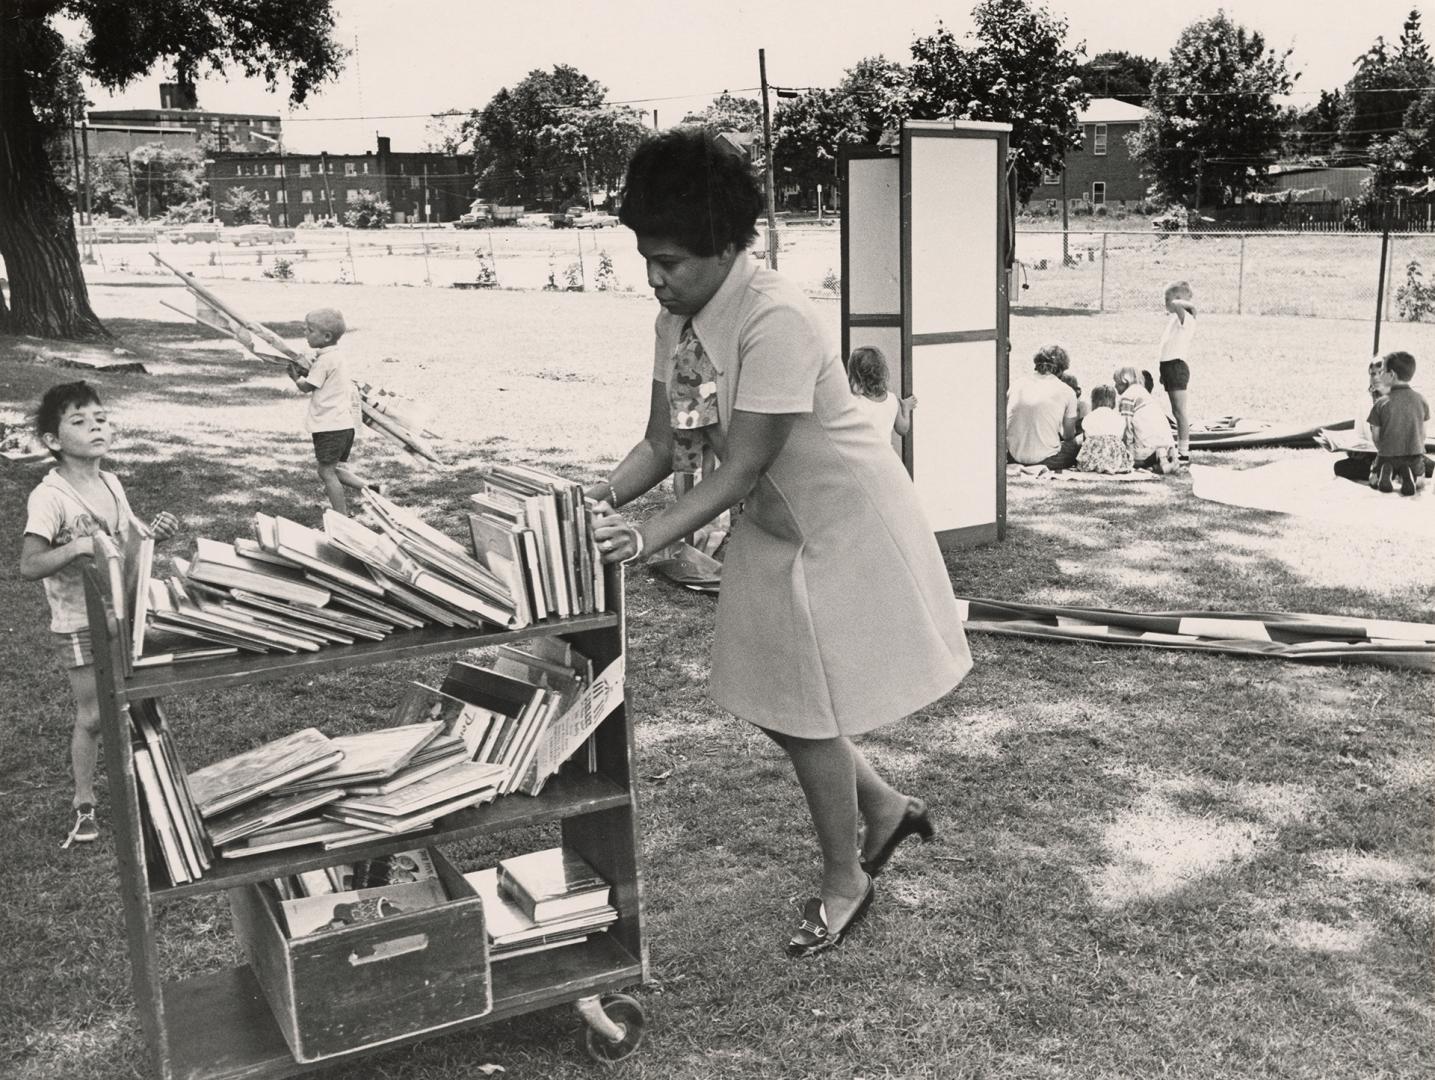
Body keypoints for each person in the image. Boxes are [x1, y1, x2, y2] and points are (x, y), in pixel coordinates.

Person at [587, 129, 971, 958]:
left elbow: (740, 463)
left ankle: (846, 879)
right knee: (769, 696)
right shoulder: (677, 317)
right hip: (771, 521)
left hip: (840, 521)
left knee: (803, 706)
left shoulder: (778, 317)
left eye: (674, 261)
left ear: (728, 245)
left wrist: (643, 538)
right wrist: (593, 499)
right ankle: (885, 809)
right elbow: (661, 442)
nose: (656, 277)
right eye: (645, 257)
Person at [19, 382, 180, 847]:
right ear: (52, 441)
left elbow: (127, 540)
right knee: (93, 715)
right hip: (78, 621)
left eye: (101, 418)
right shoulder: (49, 497)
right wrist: (76, 546)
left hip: (122, 612)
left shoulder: (111, 482)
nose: (95, 426)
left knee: (140, 700)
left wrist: (154, 535)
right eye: (79, 421)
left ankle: (152, 792)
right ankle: (84, 804)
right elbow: (29, 566)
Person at [286, 307, 377, 514]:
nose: (305, 333)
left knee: (326, 472)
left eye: (309, 330)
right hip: (344, 426)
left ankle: (341, 517)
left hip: (329, 426)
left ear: (326, 336)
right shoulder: (334, 357)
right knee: (335, 469)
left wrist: (295, 377)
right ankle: (372, 489)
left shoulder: (324, 361)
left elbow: (307, 387)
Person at [1006, 344, 1080, 470]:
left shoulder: (1017, 384)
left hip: (1013, 456)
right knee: (1078, 442)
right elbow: (1068, 436)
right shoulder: (1067, 391)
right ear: (1062, 369)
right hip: (1048, 460)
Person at [1367, 350, 1430, 496]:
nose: (1380, 375)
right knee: (1420, 483)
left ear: (1392, 375)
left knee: (1372, 479)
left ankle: (1385, 471)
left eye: (1383, 371)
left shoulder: (1380, 403)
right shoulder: (1422, 400)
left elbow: (1376, 437)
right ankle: (1410, 474)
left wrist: (1383, 450)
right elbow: (1423, 434)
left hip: (1387, 455)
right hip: (1414, 456)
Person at [1156, 280, 1196, 465]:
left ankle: (1184, 452)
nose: (1166, 303)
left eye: (1168, 299)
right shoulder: (1175, 319)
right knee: (1175, 410)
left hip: (1176, 366)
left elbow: (1182, 305)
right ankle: (1180, 448)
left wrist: (1180, 300)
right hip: (1168, 367)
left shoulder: (1186, 318)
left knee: (1180, 411)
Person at [847, 345, 916, 444]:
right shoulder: (892, 399)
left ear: (855, 377)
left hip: (862, 457)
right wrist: (906, 409)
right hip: (885, 457)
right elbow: (903, 429)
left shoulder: (855, 402)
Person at [1114, 365, 1177, 473]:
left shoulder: (1127, 397)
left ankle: (1152, 459)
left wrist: (1127, 454)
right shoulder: (1143, 393)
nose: (1115, 386)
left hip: (1147, 447)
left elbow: (1126, 428)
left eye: (1117, 383)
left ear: (1125, 381)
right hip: (1166, 442)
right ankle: (1162, 460)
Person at [1075, 384, 1132, 474]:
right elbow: (1121, 438)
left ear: (1093, 401)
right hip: (1114, 457)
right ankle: (1112, 465)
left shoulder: (1090, 416)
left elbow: (1085, 439)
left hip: (1094, 456)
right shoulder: (1118, 417)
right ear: (1113, 402)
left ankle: (1095, 465)